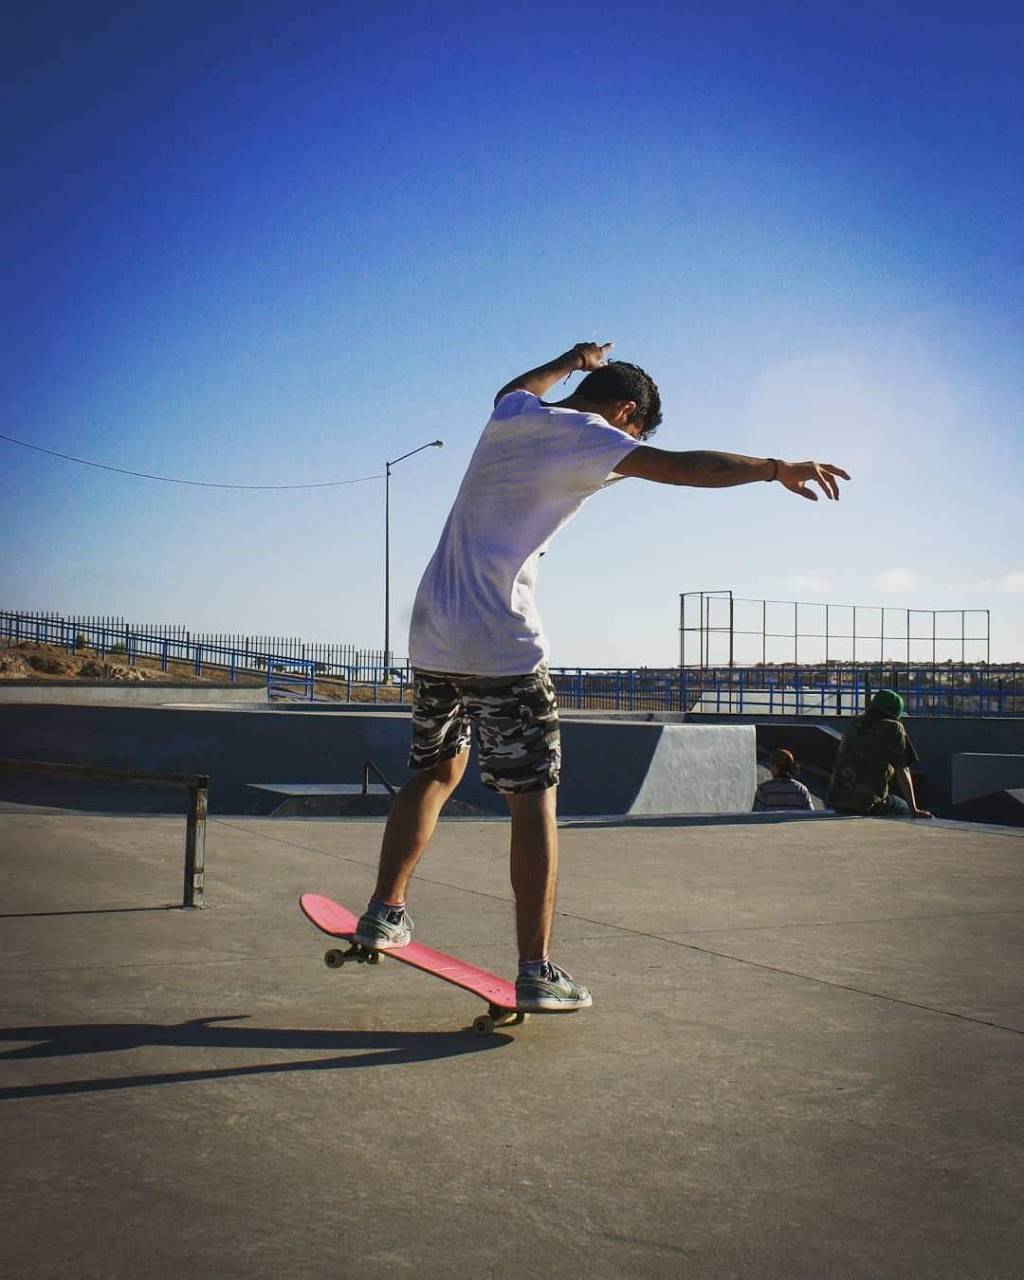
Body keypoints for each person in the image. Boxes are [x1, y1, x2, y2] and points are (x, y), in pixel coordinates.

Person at [354, 340, 851, 1013]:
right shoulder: (588, 433)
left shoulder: (512, 414)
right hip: (501, 641)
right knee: (533, 803)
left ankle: (385, 912)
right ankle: (536, 968)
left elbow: (514, 382)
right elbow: (682, 468)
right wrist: (773, 467)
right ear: (624, 412)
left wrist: (571, 358)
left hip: (433, 635)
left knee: (436, 771)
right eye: (632, 433)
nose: (625, 449)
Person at [827, 688, 932, 818]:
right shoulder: (894, 728)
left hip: (837, 802)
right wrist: (914, 809)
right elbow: (902, 769)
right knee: (903, 810)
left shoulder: (855, 724)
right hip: (867, 804)